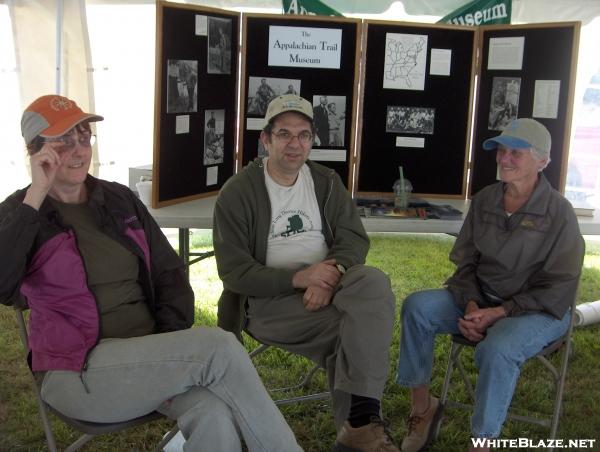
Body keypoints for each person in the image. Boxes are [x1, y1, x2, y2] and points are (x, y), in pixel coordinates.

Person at [0, 94, 302, 452]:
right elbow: (4, 285)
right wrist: (37, 193)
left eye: (84, 137)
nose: (79, 150)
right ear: (37, 151)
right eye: (63, 141)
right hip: (75, 371)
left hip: (145, 358)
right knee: (218, 346)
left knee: (214, 410)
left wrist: (167, 345)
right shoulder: (21, 212)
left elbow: (169, 272)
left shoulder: (117, 200)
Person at [213, 94, 399, 452]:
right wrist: (300, 278)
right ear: (266, 139)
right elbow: (235, 273)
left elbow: (353, 239)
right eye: (284, 134)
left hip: (331, 286)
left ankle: (358, 425)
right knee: (356, 331)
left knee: (373, 280)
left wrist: (329, 274)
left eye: (303, 135)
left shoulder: (326, 181)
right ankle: (360, 425)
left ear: (312, 140)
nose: (294, 144)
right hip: (269, 302)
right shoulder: (238, 193)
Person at [395, 118, 584, 452]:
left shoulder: (560, 213)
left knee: (498, 349)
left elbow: (559, 286)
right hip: (481, 300)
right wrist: (471, 304)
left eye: (515, 153)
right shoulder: (485, 200)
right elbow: (466, 262)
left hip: (536, 311)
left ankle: (481, 442)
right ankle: (423, 408)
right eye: (501, 150)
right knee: (417, 308)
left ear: (542, 161)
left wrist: (500, 312)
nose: (503, 158)